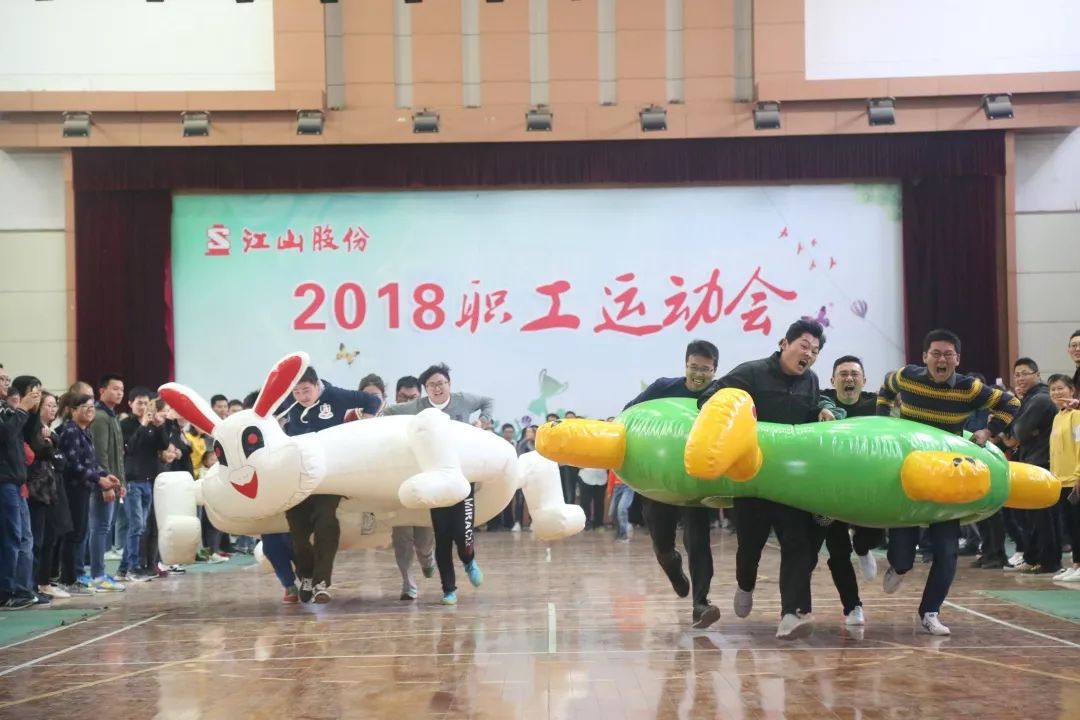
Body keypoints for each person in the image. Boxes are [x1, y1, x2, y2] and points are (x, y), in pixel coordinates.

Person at [877, 329, 1020, 636]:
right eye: (936, 354)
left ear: (957, 359)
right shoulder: (907, 377)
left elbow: (1011, 403)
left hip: (947, 477)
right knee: (902, 553)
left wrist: (989, 431)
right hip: (908, 474)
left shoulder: (970, 388)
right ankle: (899, 567)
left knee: (946, 551)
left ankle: (930, 611)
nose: (941, 360)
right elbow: (886, 388)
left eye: (948, 355)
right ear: (924, 357)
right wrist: (883, 421)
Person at [697, 321, 831, 639]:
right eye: (804, 346)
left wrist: (823, 410)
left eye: (815, 351)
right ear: (784, 343)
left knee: (797, 543)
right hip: (752, 480)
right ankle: (745, 585)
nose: (809, 354)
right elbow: (709, 399)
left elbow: (814, 409)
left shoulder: (811, 381)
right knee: (750, 546)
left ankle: (791, 615)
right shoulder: (752, 373)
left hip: (790, 482)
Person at [628, 339, 721, 630]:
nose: (698, 374)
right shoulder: (662, 388)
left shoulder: (720, 395)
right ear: (685, 365)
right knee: (664, 547)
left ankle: (701, 604)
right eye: (694, 367)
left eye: (705, 370)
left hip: (696, 484)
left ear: (715, 370)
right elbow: (628, 414)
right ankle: (672, 568)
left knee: (699, 542)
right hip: (658, 484)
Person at [384, 364, 491, 605]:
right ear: (426, 389)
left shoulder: (463, 401)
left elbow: (488, 402)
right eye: (432, 385)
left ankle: (469, 561)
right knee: (442, 538)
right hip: (436, 480)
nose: (437, 388)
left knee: (463, 534)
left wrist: (483, 421)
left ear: (449, 384)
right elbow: (389, 412)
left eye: (441, 383)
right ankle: (448, 589)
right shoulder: (418, 407)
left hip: (464, 479)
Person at [283, 366, 381, 603]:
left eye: (306, 390)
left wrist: (364, 427)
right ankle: (306, 577)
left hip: (330, 476)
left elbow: (373, 401)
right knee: (298, 532)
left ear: (317, 385)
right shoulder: (288, 402)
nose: (302, 396)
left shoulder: (335, 395)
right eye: (296, 392)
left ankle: (321, 582)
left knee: (326, 522)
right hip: (298, 476)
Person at [815, 355, 885, 626]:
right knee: (837, 552)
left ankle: (864, 548)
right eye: (843, 374)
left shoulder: (876, 405)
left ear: (864, 380)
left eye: (854, 374)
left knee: (873, 536)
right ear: (833, 380)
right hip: (829, 490)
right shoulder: (821, 402)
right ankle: (852, 606)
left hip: (867, 488)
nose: (849, 379)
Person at [56, 394, 121, 596]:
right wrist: (98, 480)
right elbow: (73, 465)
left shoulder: (84, 431)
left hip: (84, 488)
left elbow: (90, 463)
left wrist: (105, 474)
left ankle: (74, 578)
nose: (90, 409)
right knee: (73, 535)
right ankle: (69, 580)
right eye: (84, 406)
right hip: (72, 489)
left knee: (80, 534)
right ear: (73, 410)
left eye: (92, 406)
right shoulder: (70, 431)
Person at [1007, 358, 1061, 575]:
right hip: (1032, 460)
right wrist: (1025, 431)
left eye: (1025, 373)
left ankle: (1049, 562)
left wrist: (1023, 431)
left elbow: (1019, 432)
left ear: (1037, 375)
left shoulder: (1040, 399)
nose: (1020, 378)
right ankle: (1033, 558)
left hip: (1041, 463)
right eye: (1017, 375)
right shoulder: (1028, 399)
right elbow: (1016, 433)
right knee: (1032, 516)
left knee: (1044, 517)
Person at [1, 378, 43, 609]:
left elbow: (27, 436)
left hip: (16, 481)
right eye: (1, 379)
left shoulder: (7, 409)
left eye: (7, 378)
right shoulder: (8, 411)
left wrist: (32, 412)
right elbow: (5, 434)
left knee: (20, 538)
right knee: (10, 538)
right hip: (4, 480)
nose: (6, 382)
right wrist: (22, 409)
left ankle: (21, 589)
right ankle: (6, 592)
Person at [87, 373, 128, 592]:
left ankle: (99, 573)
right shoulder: (100, 417)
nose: (119, 393)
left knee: (103, 527)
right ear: (102, 390)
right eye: (115, 388)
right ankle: (97, 575)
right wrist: (105, 484)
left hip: (112, 481)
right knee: (100, 528)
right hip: (102, 483)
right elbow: (100, 454)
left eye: (121, 389)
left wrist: (122, 482)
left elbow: (118, 455)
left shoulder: (112, 415)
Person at [1048, 374, 1080, 581]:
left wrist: (1078, 475)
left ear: (1072, 390)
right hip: (1060, 480)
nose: (1056, 392)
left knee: (1078, 525)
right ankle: (1075, 564)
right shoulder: (1057, 417)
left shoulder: (1076, 415)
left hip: (1074, 479)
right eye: (1053, 389)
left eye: (1061, 388)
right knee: (1068, 525)